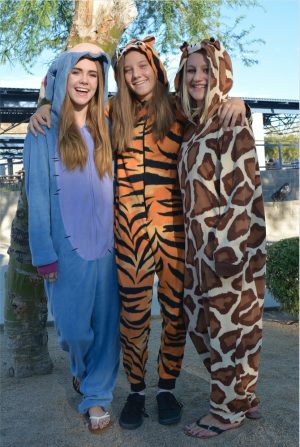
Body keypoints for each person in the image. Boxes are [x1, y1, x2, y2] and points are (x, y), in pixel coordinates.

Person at [28, 36, 247, 430]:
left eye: (141, 67)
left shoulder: (178, 107)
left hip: (174, 233)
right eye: (127, 70)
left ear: (156, 68)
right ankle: (135, 391)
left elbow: (210, 102)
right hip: (127, 235)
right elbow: (72, 106)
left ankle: (165, 387)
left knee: (175, 313)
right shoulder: (112, 113)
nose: (135, 75)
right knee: (132, 317)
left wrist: (236, 100)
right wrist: (42, 106)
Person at [23, 43, 120, 434]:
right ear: (63, 77)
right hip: (66, 251)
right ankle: (81, 369)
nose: (84, 81)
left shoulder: (108, 127)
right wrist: (44, 254)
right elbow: (37, 196)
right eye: (77, 73)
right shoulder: (42, 131)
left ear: (101, 83)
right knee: (73, 329)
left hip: (110, 249)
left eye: (93, 75)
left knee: (108, 327)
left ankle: (97, 395)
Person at [174, 38, 266, 439]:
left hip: (230, 251)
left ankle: (226, 411)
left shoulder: (231, 119)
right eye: (191, 70)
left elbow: (243, 193)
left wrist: (227, 253)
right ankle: (242, 395)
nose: (198, 77)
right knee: (199, 323)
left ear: (221, 74)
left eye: (206, 70)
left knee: (231, 330)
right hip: (199, 252)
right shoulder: (194, 126)